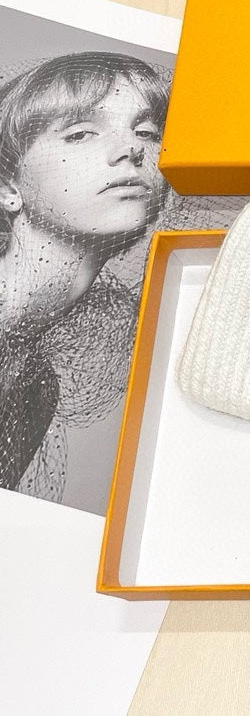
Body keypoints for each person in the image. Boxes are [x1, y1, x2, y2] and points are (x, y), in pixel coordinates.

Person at [0, 52, 170, 500]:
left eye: (147, 132)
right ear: (7, 187)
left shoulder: (34, 386)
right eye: (80, 133)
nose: (131, 149)